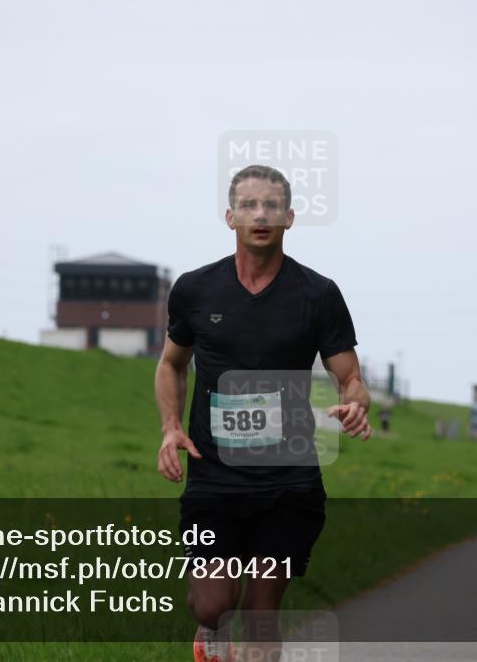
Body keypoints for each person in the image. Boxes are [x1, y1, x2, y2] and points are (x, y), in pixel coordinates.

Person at [154, 164, 372, 662]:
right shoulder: (194, 290)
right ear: (230, 217)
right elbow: (171, 364)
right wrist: (169, 428)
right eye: (249, 205)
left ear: (290, 218)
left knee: (261, 613)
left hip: (287, 478)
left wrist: (356, 402)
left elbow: (351, 375)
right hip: (214, 474)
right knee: (212, 605)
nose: (260, 214)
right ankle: (209, 632)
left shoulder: (318, 295)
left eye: (272, 205)